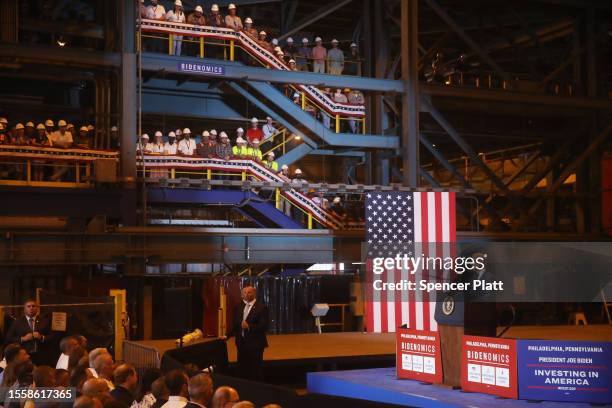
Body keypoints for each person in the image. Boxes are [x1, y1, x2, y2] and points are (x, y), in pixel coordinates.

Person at [225, 286, 268, 381]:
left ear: (254, 293)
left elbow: (264, 325)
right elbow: (236, 325)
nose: (246, 294)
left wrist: (249, 327)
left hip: (255, 344)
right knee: (242, 369)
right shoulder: (238, 307)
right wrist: (226, 336)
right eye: (244, 292)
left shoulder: (261, 307)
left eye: (249, 292)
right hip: (241, 343)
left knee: (256, 370)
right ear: (241, 295)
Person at [4, 299, 51, 365]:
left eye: (33, 306)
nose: (31, 308)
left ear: (37, 309)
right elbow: (9, 338)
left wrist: (41, 337)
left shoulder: (44, 321)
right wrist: (23, 339)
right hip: (23, 357)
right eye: (28, 306)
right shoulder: (17, 322)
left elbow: (52, 337)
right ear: (24, 309)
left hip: (41, 357)